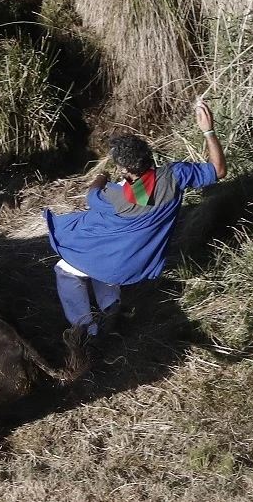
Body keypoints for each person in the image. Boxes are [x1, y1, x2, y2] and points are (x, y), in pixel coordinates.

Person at [45, 100, 226, 349]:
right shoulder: (176, 175)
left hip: (119, 262)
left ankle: (87, 331)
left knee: (65, 270)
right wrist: (208, 130)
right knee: (103, 260)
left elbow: (91, 196)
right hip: (140, 261)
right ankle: (111, 306)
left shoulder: (115, 198)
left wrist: (100, 177)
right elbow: (218, 170)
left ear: (124, 169)